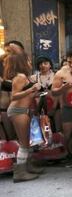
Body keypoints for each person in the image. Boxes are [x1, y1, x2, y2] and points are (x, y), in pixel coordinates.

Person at [5, 53, 44, 182]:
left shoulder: (23, 76)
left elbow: (25, 96)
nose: (29, 62)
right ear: (21, 62)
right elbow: (14, 96)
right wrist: (31, 89)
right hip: (18, 111)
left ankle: (27, 167)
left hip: (22, 110)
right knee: (24, 143)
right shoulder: (20, 77)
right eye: (27, 60)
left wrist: (36, 93)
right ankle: (20, 173)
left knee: (26, 142)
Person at [31, 56, 60, 132]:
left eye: (45, 63)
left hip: (55, 106)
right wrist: (45, 93)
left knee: (57, 129)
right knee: (43, 129)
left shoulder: (57, 76)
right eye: (40, 64)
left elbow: (59, 93)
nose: (43, 65)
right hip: (40, 108)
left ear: (50, 65)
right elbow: (32, 94)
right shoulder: (33, 78)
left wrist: (54, 107)